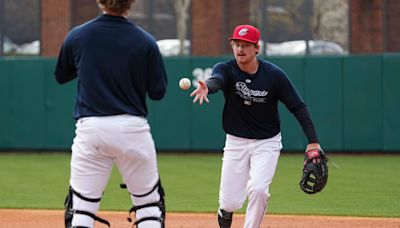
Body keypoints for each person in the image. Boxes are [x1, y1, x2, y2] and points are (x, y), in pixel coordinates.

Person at [190, 24, 322, 228]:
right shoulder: (226, 69)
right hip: (236, 141)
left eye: (246, 45)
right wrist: (209, 86)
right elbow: (218, 80)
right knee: (231, 202)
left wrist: (313, 141)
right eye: (236, 44)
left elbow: (298, 107)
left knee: (259, 189)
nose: (240, 49)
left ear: (257, 48)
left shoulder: (274, 75)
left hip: (267, 142)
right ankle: (225, 210)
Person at [54, 0, 168, 227]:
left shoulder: (78, 36)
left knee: (82, 208)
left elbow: (61, 75)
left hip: (91, 129)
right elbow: (158, 92)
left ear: (100, 1)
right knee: (148, 206)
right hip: (132, 129)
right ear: (131, 3)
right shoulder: (145, 41)